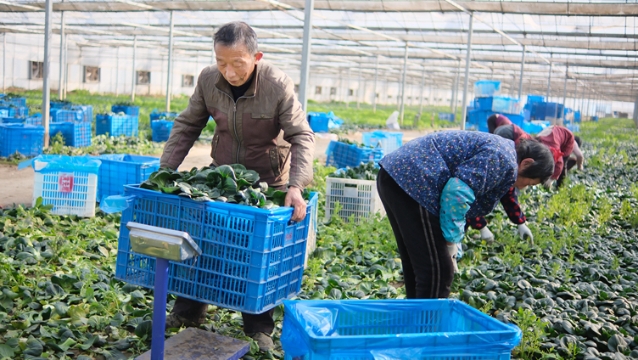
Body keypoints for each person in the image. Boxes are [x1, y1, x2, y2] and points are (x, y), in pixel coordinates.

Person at [159, 21, 315, 351]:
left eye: (237, 63)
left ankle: (259, 325)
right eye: (221, 62)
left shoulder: (276, 84)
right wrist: (163, 173)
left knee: (258, 252)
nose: (229, 72)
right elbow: (187, 125)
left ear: (255, 57)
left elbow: (302, 136)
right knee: (201, 239)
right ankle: (188, 311)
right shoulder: (207, 80)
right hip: (223, 176)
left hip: (268, 181)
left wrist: (296, 186)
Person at [376, 131, 554, 298]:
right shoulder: (503, 159)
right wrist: (451, 241)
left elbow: (470, 193)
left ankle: (414, 325)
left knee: (418, 263)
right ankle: (427, 327)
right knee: (437, 271)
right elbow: (456, 194)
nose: (522, 187)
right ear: (527, 163)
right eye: (529, 183)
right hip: (416, 181)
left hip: (396, 174)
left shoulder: (504, 154)